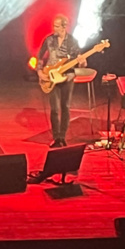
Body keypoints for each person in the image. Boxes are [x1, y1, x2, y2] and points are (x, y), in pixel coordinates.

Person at [36, 14, 86, 148]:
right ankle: (56, 137)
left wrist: (82, 63)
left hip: (67, 77)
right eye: (53, 25)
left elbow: (79, 60)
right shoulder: (49, 40)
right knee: (54, 109)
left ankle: (62, 137)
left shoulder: (73, 42)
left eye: (57, 26)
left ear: (64, 27)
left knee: (65, 107)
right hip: (51, 76)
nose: (54, 28)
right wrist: (40, 72)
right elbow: (40, 56)